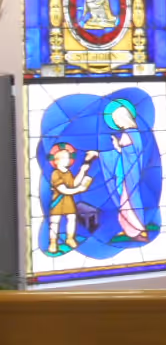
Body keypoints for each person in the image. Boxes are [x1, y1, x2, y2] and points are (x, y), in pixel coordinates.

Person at [103, 98, 150, 242]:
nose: (116, 123)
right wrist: (117, 147)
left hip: (130, 172)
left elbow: (131, 153)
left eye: (117, 120)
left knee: (129, 199)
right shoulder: (131, 133)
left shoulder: (130, 133)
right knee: (125, 200)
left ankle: (139, 229)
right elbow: (126, 152)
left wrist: (117, 146)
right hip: (126, 170)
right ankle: (129, 230)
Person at [46, 142, 98, 255]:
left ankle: (70, 238)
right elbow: (63, 189)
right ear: (56, 161)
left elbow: (73, 183)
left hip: (68, 200)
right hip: (58, 201)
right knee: (55, 222)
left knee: (71, 218)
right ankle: (53, 243)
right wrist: (79, 189)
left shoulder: (68, 172)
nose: (68, 160)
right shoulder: (56, 173)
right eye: (65, 158)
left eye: (69, 157)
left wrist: (82, 171)